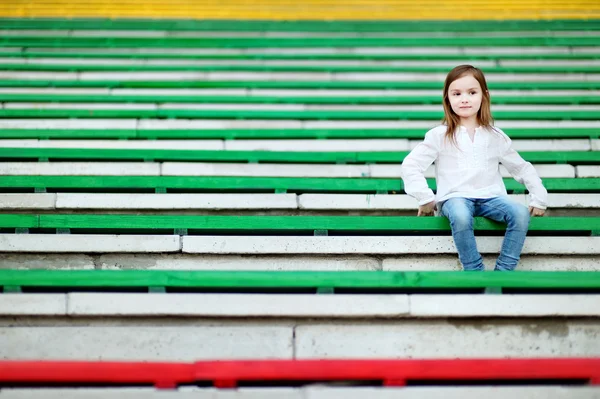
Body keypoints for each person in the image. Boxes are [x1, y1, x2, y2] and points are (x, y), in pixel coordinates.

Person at [401, 64, 547, 271]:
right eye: (457, 93)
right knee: (461, 214)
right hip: (454, 198)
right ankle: (473, 270)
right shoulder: (439, 135)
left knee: (520, 214)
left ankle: (504, 271)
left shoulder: (495, 136)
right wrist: (425, 198)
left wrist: (538, 196)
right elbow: (411, 164)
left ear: (484, 95)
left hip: (490, 198)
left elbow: (521, 167)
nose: (464, 99)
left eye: (472, 92)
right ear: (447, 98)